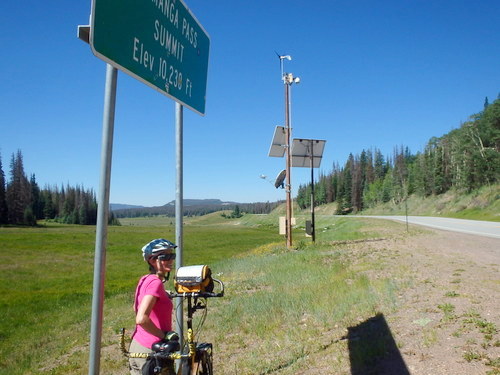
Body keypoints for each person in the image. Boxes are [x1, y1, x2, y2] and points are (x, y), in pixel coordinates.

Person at [129, 238, 176, 375]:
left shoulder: (145, 279)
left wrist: (163, 296)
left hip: (137, 345)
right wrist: (164, 336)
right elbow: (141, 318)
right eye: (165, 257)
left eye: (172, 255)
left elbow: (135, 307)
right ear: (152, 260)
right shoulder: (155, 283)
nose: (170, 260)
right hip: (152, 350)